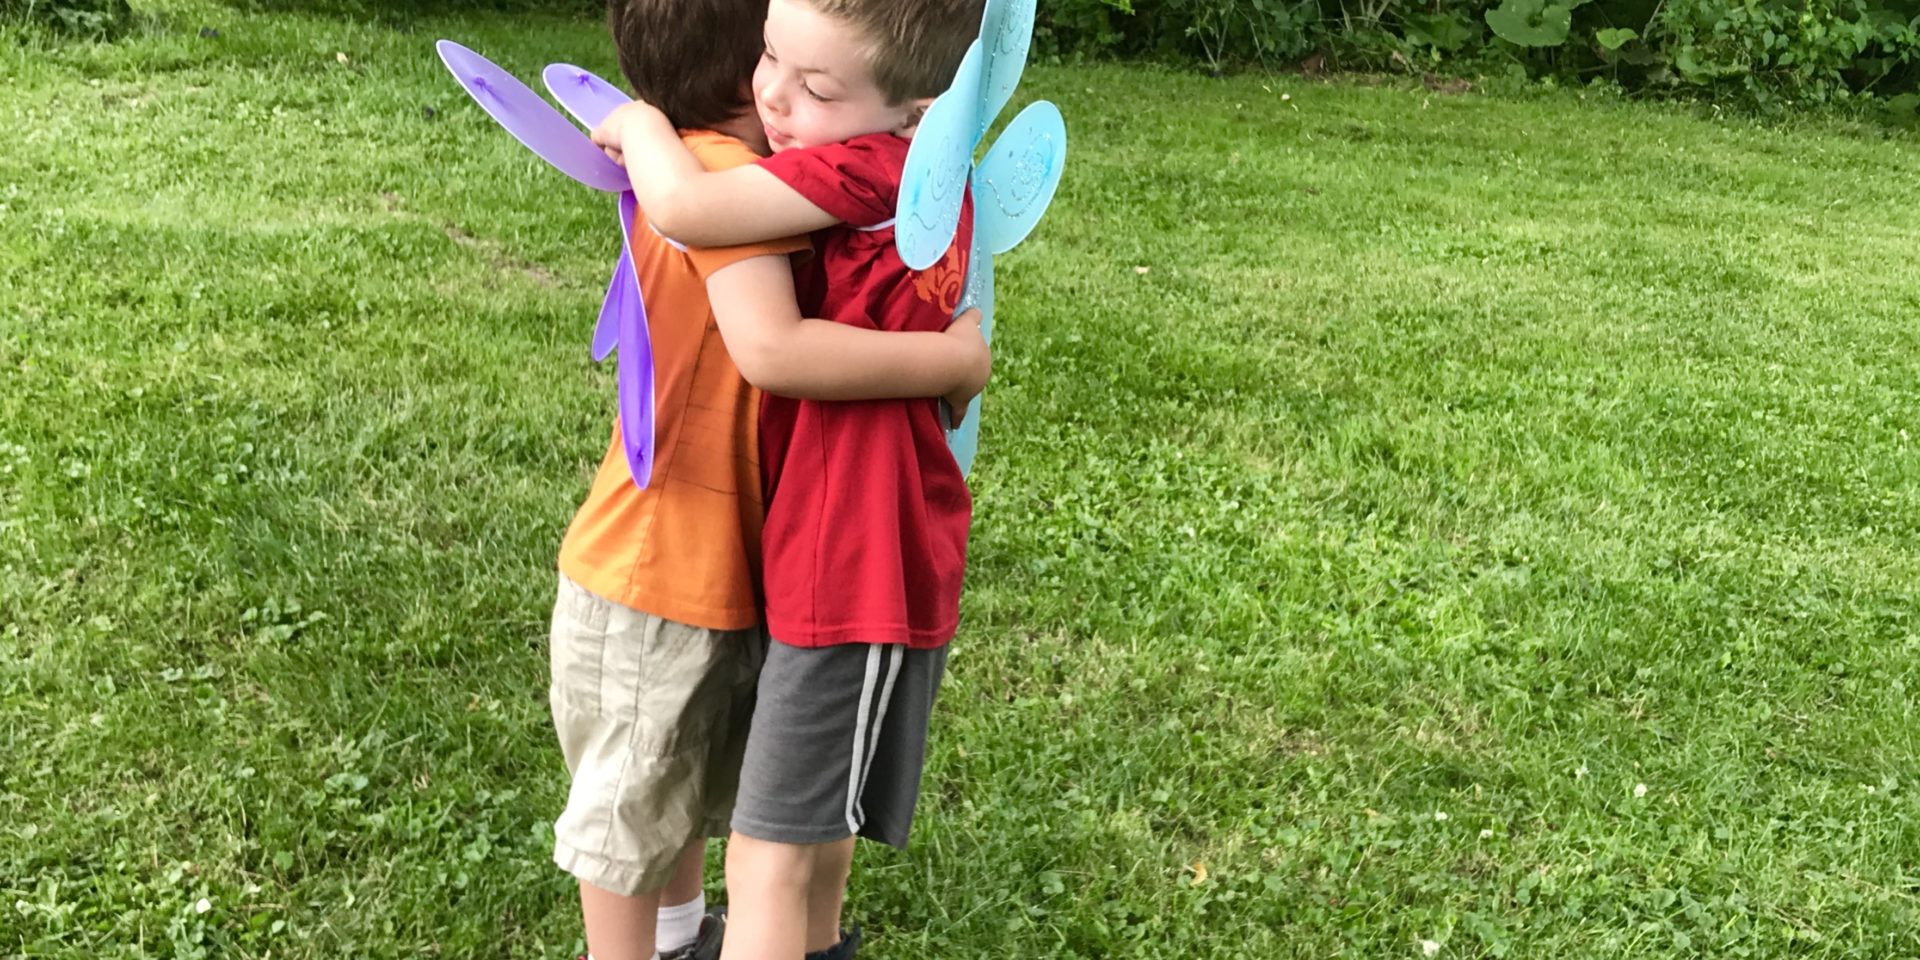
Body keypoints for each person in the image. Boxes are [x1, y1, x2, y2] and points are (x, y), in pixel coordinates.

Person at [552, 2, 990, 958]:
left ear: (910, 105)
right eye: (768, 58)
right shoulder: (899, 158)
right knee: (774, 828)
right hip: (812, 545)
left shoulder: (851, 168)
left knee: (767, 846)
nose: (778, 97)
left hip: (851, 553)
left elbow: (749, 309)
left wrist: (639, 124)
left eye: (815, 85)